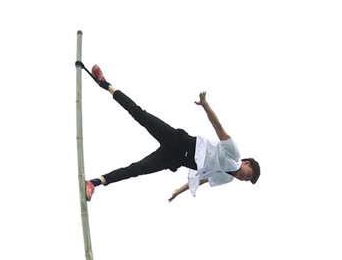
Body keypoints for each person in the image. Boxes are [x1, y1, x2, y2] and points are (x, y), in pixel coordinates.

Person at [81, 63, 260, 202]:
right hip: (180, 141)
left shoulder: (227, 180)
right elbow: (218, 127)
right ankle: (105, 84)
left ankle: (94, 183)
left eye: (246, 180)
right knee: (140, 114)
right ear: (246, 162)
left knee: (137, 169)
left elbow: (203, 180)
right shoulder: (233, 153)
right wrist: (205, 105)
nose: (243, 178)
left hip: (175, 160)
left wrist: (178, 191)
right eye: (247, 174)